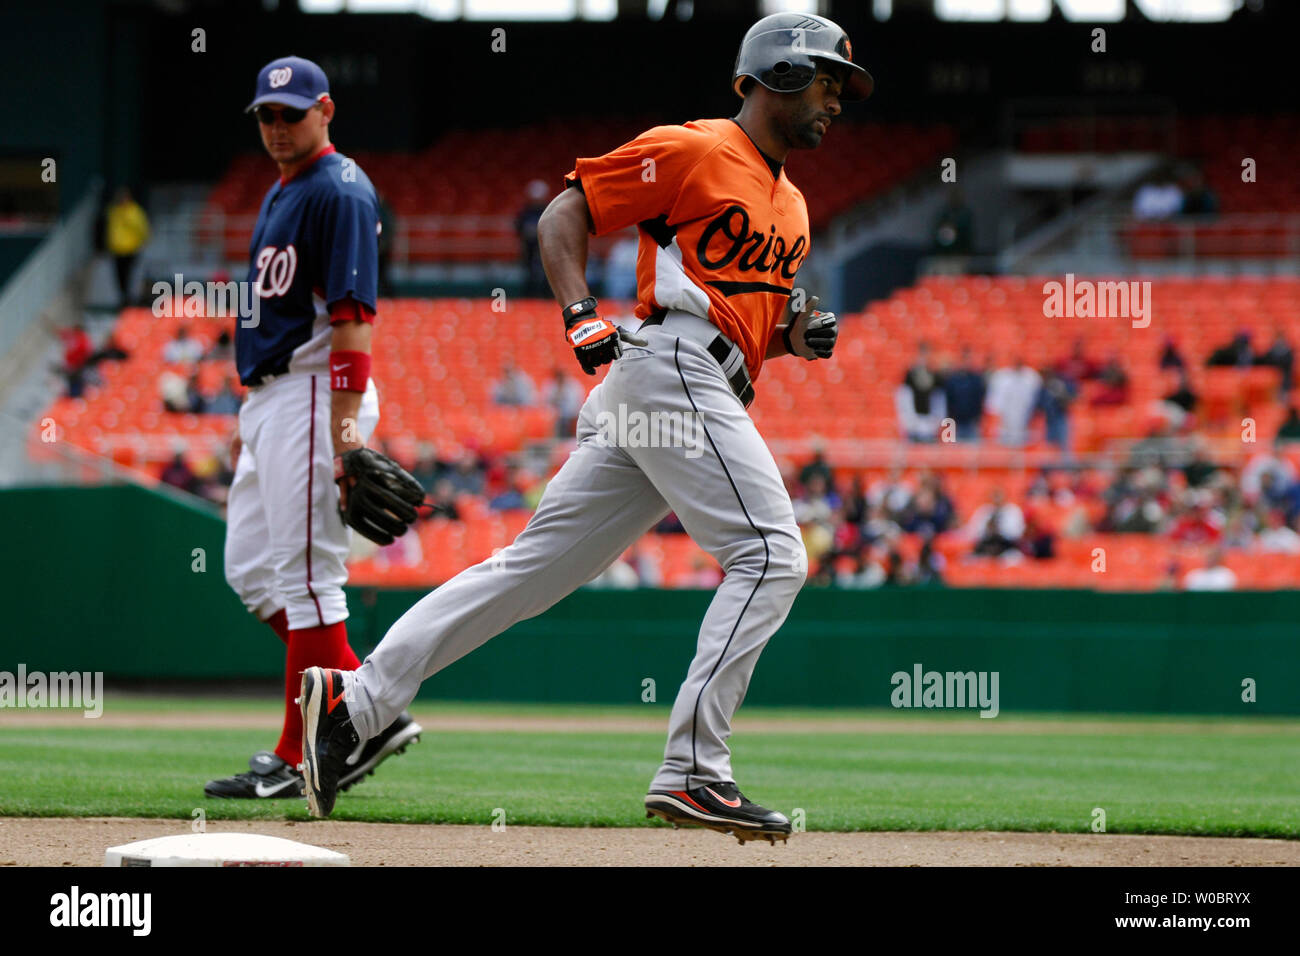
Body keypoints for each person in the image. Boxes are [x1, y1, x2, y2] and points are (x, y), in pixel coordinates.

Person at [298, 14, 871, 844]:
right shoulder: (698, 148)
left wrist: (790, 337)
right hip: (669, 368)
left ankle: (353, 707)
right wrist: (577, 312)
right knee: (774, 554)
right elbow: (565, 213)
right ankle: (694, 772)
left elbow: (742, 319)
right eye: (827, 81)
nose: (838, 102)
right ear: (778, 72)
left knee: (528, 573)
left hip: (692, 379)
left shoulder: (795, 204)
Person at [206, 56, 421, 801]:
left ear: (325, 110)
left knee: (306, 578)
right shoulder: (285, 187)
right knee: (250, 569)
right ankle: (364, 708)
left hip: (311, 393)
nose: (276, 126)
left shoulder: (339, 188)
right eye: (266, 114)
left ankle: (299, 755)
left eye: (290, 113)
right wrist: (251, 420)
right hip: (270, 397)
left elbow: (353, 320)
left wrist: (345, 438)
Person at [105, 186, 150, 307]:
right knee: (119, 276)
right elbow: (111, 229)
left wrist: (142, 242)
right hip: (117, 249)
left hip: (131, 249)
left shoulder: (135, 212)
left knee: (131, 275)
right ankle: (123, 298)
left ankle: (131, 299)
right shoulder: (114, 211)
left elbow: (142, 229)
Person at [516, 179, 551, 297]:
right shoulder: (525, 212)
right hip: (529, 248)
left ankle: (547, 298)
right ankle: (529, 297)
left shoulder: (549, 210)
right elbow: (518, 227)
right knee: (530, 275)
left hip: (546, 248)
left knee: (548, 274)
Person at [942, 348, 985, 441]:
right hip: (957, 422)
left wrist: (977, 417)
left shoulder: (976, 379)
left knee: (974, 451)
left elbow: (980, 399)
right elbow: (949, 399)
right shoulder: (953, 380)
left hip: (972, 422)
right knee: (957, 451)